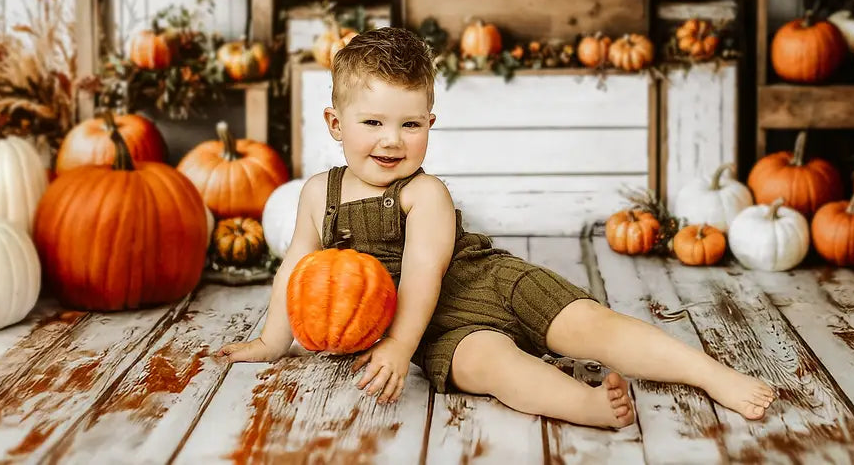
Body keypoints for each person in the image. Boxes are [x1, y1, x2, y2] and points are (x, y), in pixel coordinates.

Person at [217, 27, 775, 427]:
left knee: (593, 326)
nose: (392, 140)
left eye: (410, 124)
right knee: (494, 368)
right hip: (440, 332)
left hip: (489, 285)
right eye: (373, 123)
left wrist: (394, 346)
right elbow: (297, 264)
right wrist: (273, 340)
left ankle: (708, 374)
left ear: (430, 124)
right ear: (335, 124)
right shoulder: (320, 193)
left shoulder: (424, 194)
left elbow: (420, 277)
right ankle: (587, 407)